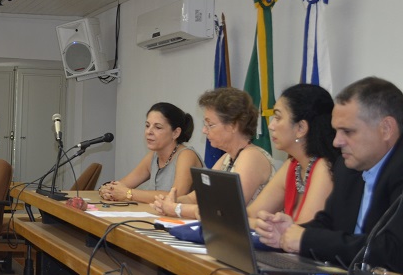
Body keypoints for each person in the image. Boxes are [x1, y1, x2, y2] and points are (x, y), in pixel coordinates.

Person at [256, 77, 403, 272]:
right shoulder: (346, 167)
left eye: (347, 132)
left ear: (386, 129)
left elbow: (393, 251)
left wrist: (307, 239)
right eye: (336, 131)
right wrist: (289, 232)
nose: (336, 142)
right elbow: (328, 222)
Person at [152, 87, 275, 219]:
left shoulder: (251, 157)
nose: (204, 130)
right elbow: (196, 197)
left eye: (210, 125)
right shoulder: (227, 158)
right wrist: (170, 201)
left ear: (233, 125)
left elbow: (227, 209)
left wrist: (177, 208)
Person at [245, 84, 338, 228]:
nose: (271, 126)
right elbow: (248, 215)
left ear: (301, 128)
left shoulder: (324, 168)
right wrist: (263, 224)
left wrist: (263, 225)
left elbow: (302, 232)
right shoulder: (293, 165)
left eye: (277, 117)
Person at [98, 102, 203, 203]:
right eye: (147, 126)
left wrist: (128, 193)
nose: (149, 132)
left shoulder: (186, 155)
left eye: (158, 127)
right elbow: (123, 185)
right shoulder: (153, 156)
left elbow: (176, 197)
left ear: (175, 133)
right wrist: (109, 190)